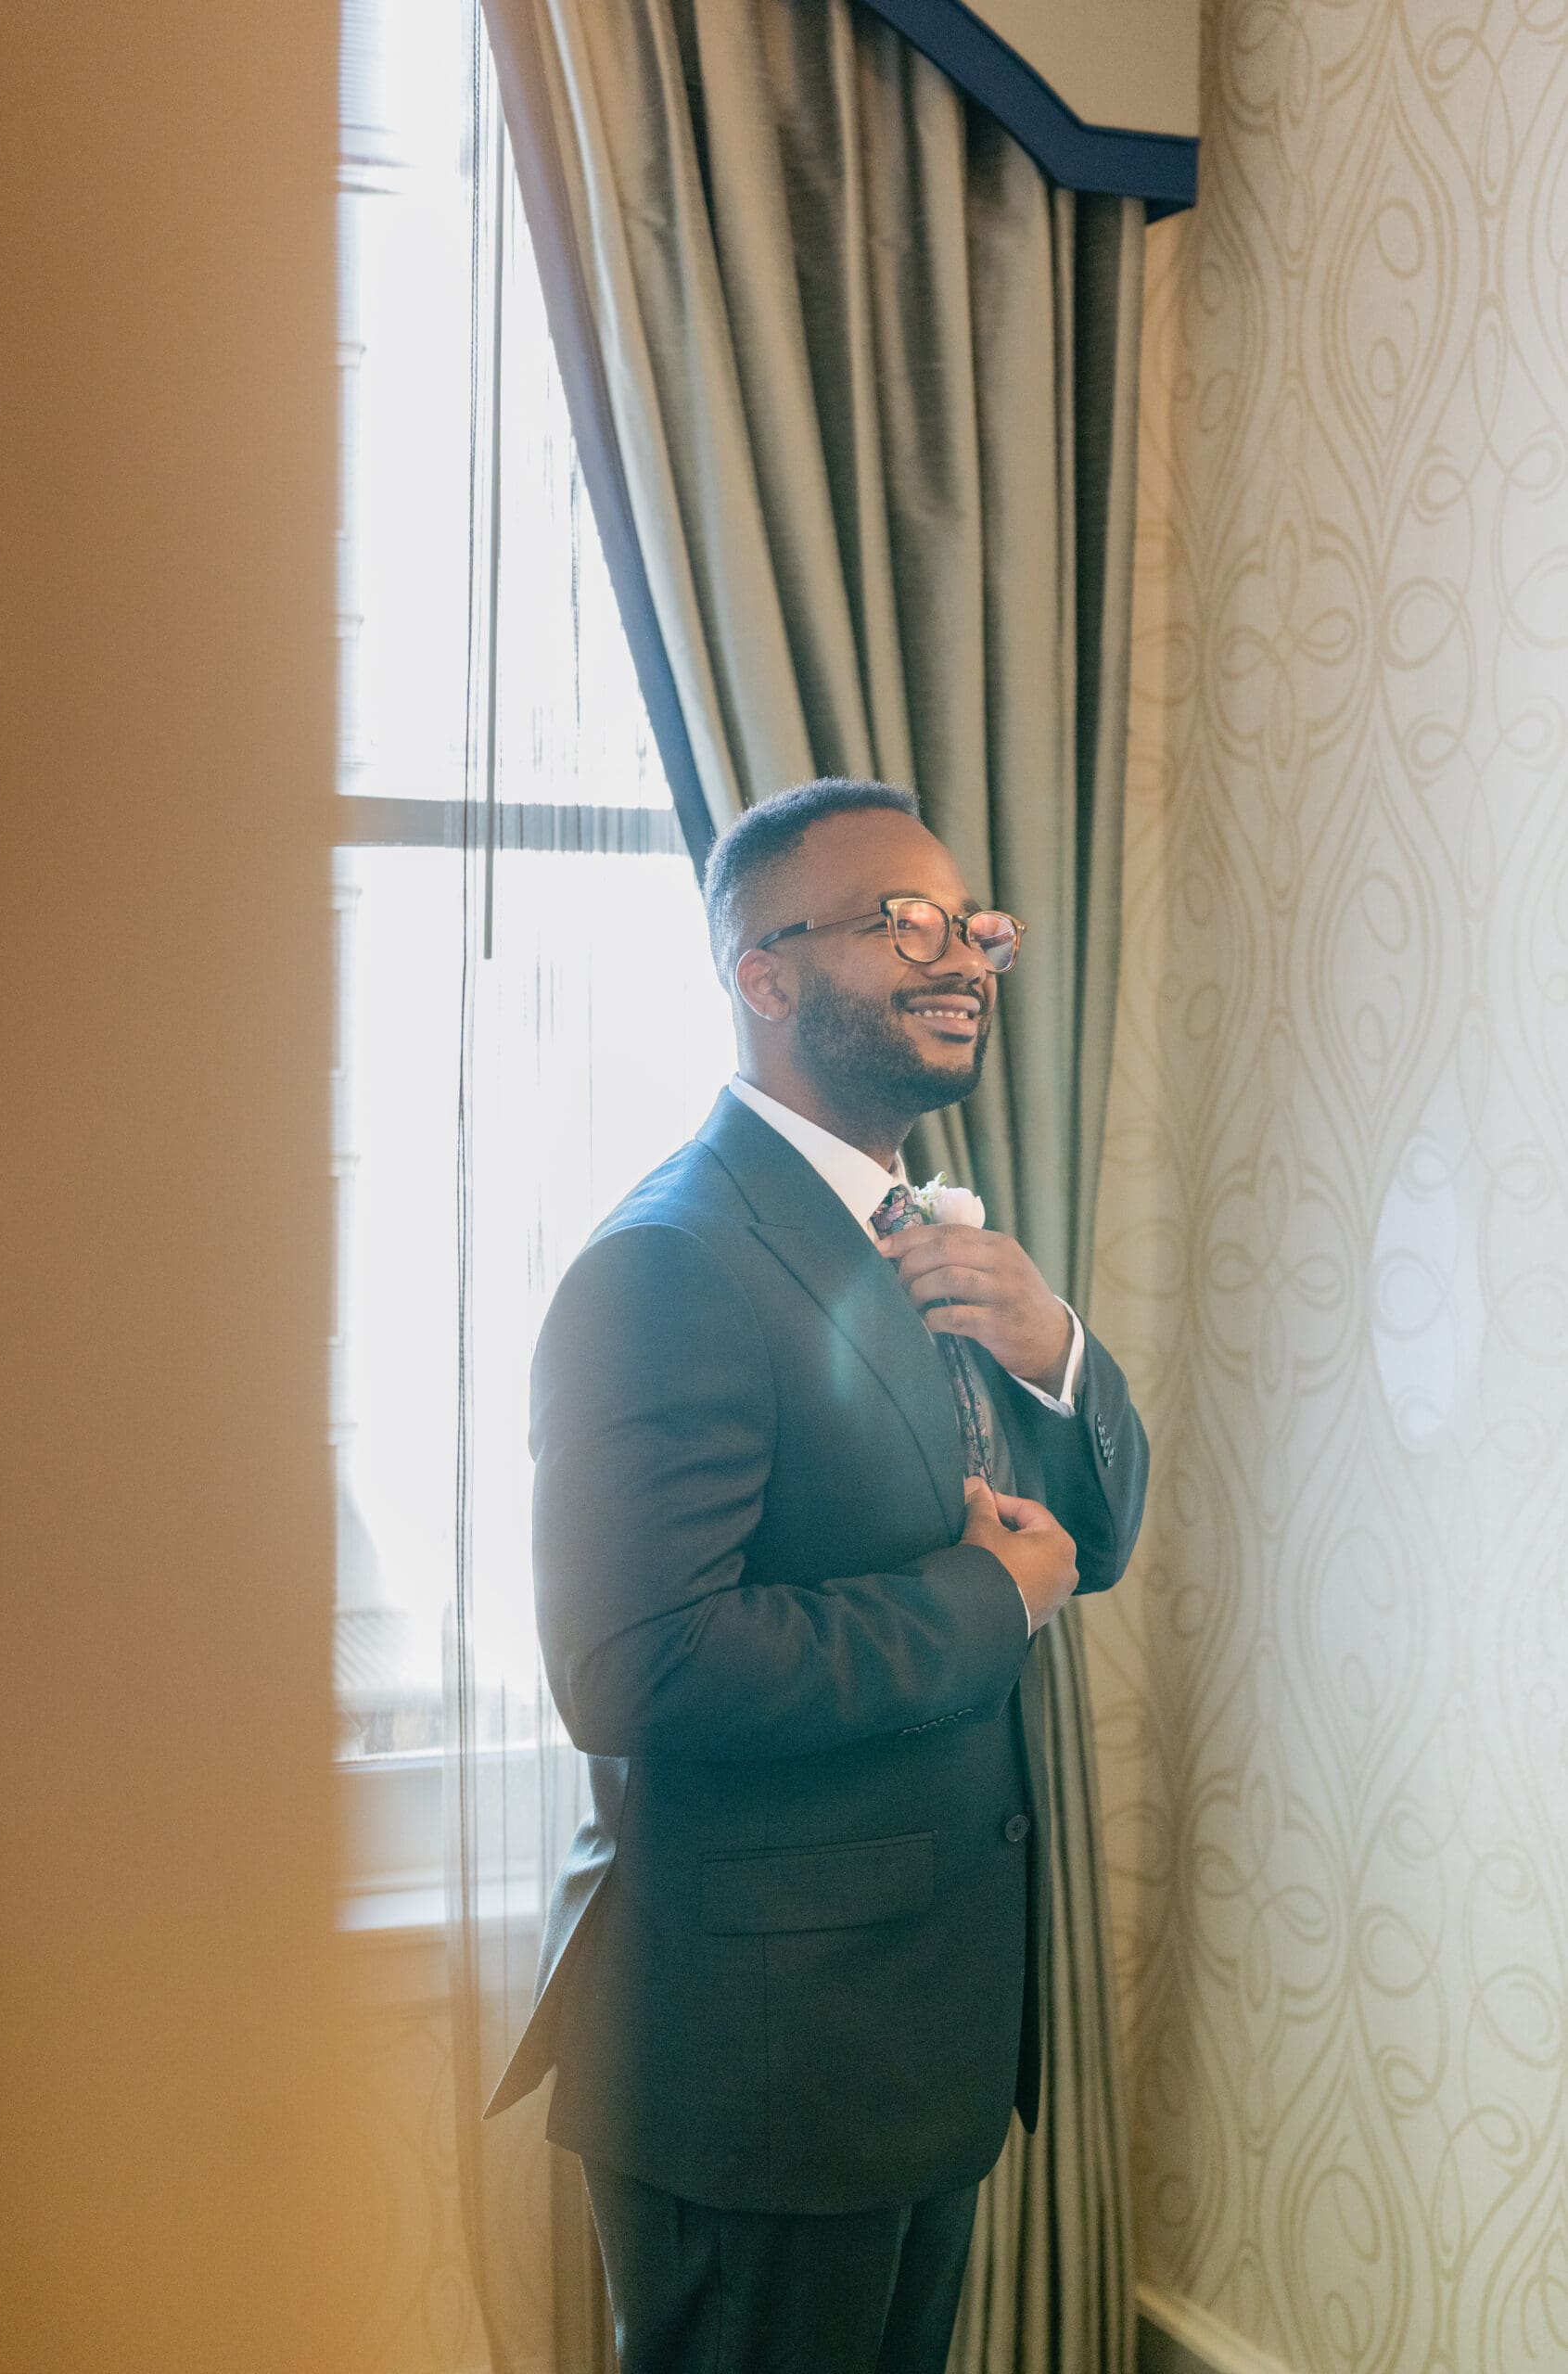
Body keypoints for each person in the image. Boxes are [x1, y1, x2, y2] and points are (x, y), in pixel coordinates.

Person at [484, 779, 1148, 2373]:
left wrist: (1056, 1351)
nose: (962, 956)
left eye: (969, 923)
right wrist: (987, 1605)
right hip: (760, 2076)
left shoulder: (926, 1243)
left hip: (911, 2048)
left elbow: (1089, 1547)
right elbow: (635, 1665)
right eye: (897, 921)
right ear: (761, 978)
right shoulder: (672, 1260)